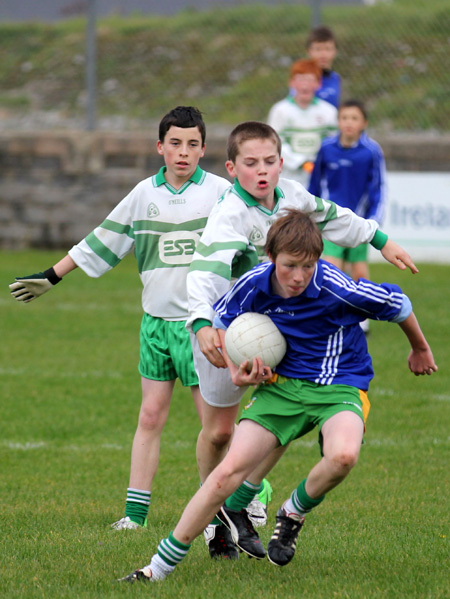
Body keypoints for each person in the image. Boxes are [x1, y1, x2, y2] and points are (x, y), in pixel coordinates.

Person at [119, 209, 436, 583]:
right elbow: (221, 325)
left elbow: (399, 304)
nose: (299, 276)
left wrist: (420, 349)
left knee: (344, 456)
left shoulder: (337, 287)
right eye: (289, 266)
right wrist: (239, 372)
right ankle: (155, 569)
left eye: (307, 265)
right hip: (281, 389)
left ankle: (292, 513)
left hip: (339, 386)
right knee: (223, 477)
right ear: (271, 257)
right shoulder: (254, 283)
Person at [184, 120, 417, 559]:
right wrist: (201, 323)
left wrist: (380, 240)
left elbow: (332, 216)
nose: (262, 171)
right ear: (233, 168)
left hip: (279, 329)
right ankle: (219, 520)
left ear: (281, 162)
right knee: (217, 433)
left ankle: (234, 511)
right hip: (229, 326)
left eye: (269, 161)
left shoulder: (292, 195)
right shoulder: (229, 213)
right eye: (251, 163)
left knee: (284, 416)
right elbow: (207, 271)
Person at [8, 106, 233, 542]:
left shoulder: (222, 195)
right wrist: (52, 275)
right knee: (150, 416)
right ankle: (135, 514)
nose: (183, 152)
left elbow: (251, 242)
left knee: (216, 428)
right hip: (155, 326)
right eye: (174, 143)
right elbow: (100, 241)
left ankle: (235, 502)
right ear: (159, 147)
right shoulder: (143, 194)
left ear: (204, 149)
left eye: (192, 144)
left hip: (203, 328)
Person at [309, 99, 387, 334]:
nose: (349, 123)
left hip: (359, 223)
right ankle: (334, 315)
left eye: (354, 118)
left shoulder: (371, 151)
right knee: (332, 269)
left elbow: (378, 187)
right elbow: (315, 184)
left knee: (360, 272)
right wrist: (311, 213)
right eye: (344, 118)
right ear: (338, 121)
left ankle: (362, 319)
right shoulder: (326, 148)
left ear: (363, 123)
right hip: (331, 221)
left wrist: (373, 220)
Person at [268, 58, 338, 186]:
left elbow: (333, 142)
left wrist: (319, 163)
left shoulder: (329, 111)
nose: (305, 84)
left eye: (310, 79)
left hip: (321, 174)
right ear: (292, 83)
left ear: (318, 84)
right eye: (300, 79)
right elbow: (274, 143)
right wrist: (301, 162)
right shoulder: (280, 110)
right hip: (288, 176)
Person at [306, 25, 341, 109]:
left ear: (335, 52)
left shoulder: (336, 78)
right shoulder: (301, 78)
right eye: (318, 49)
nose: (323, 54)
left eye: (328, 49)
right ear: (309, 52)